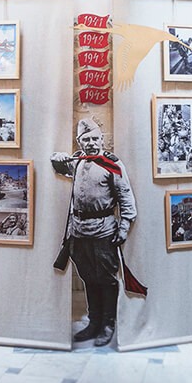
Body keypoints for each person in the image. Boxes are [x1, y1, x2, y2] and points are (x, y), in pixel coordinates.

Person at [51, 119, 137, 347]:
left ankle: (108, 324)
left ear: (102, 140)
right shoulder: (77, 162)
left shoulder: (112, 165)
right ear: (79, 141)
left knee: (106, 279)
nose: (91, 143)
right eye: (86, 139)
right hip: (79, 231)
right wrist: (57, 157)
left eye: (95, 139)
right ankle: (94, 322)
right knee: (88, 277)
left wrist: (124, 227)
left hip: (104, 230)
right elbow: (58, 166)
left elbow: (126, 198)